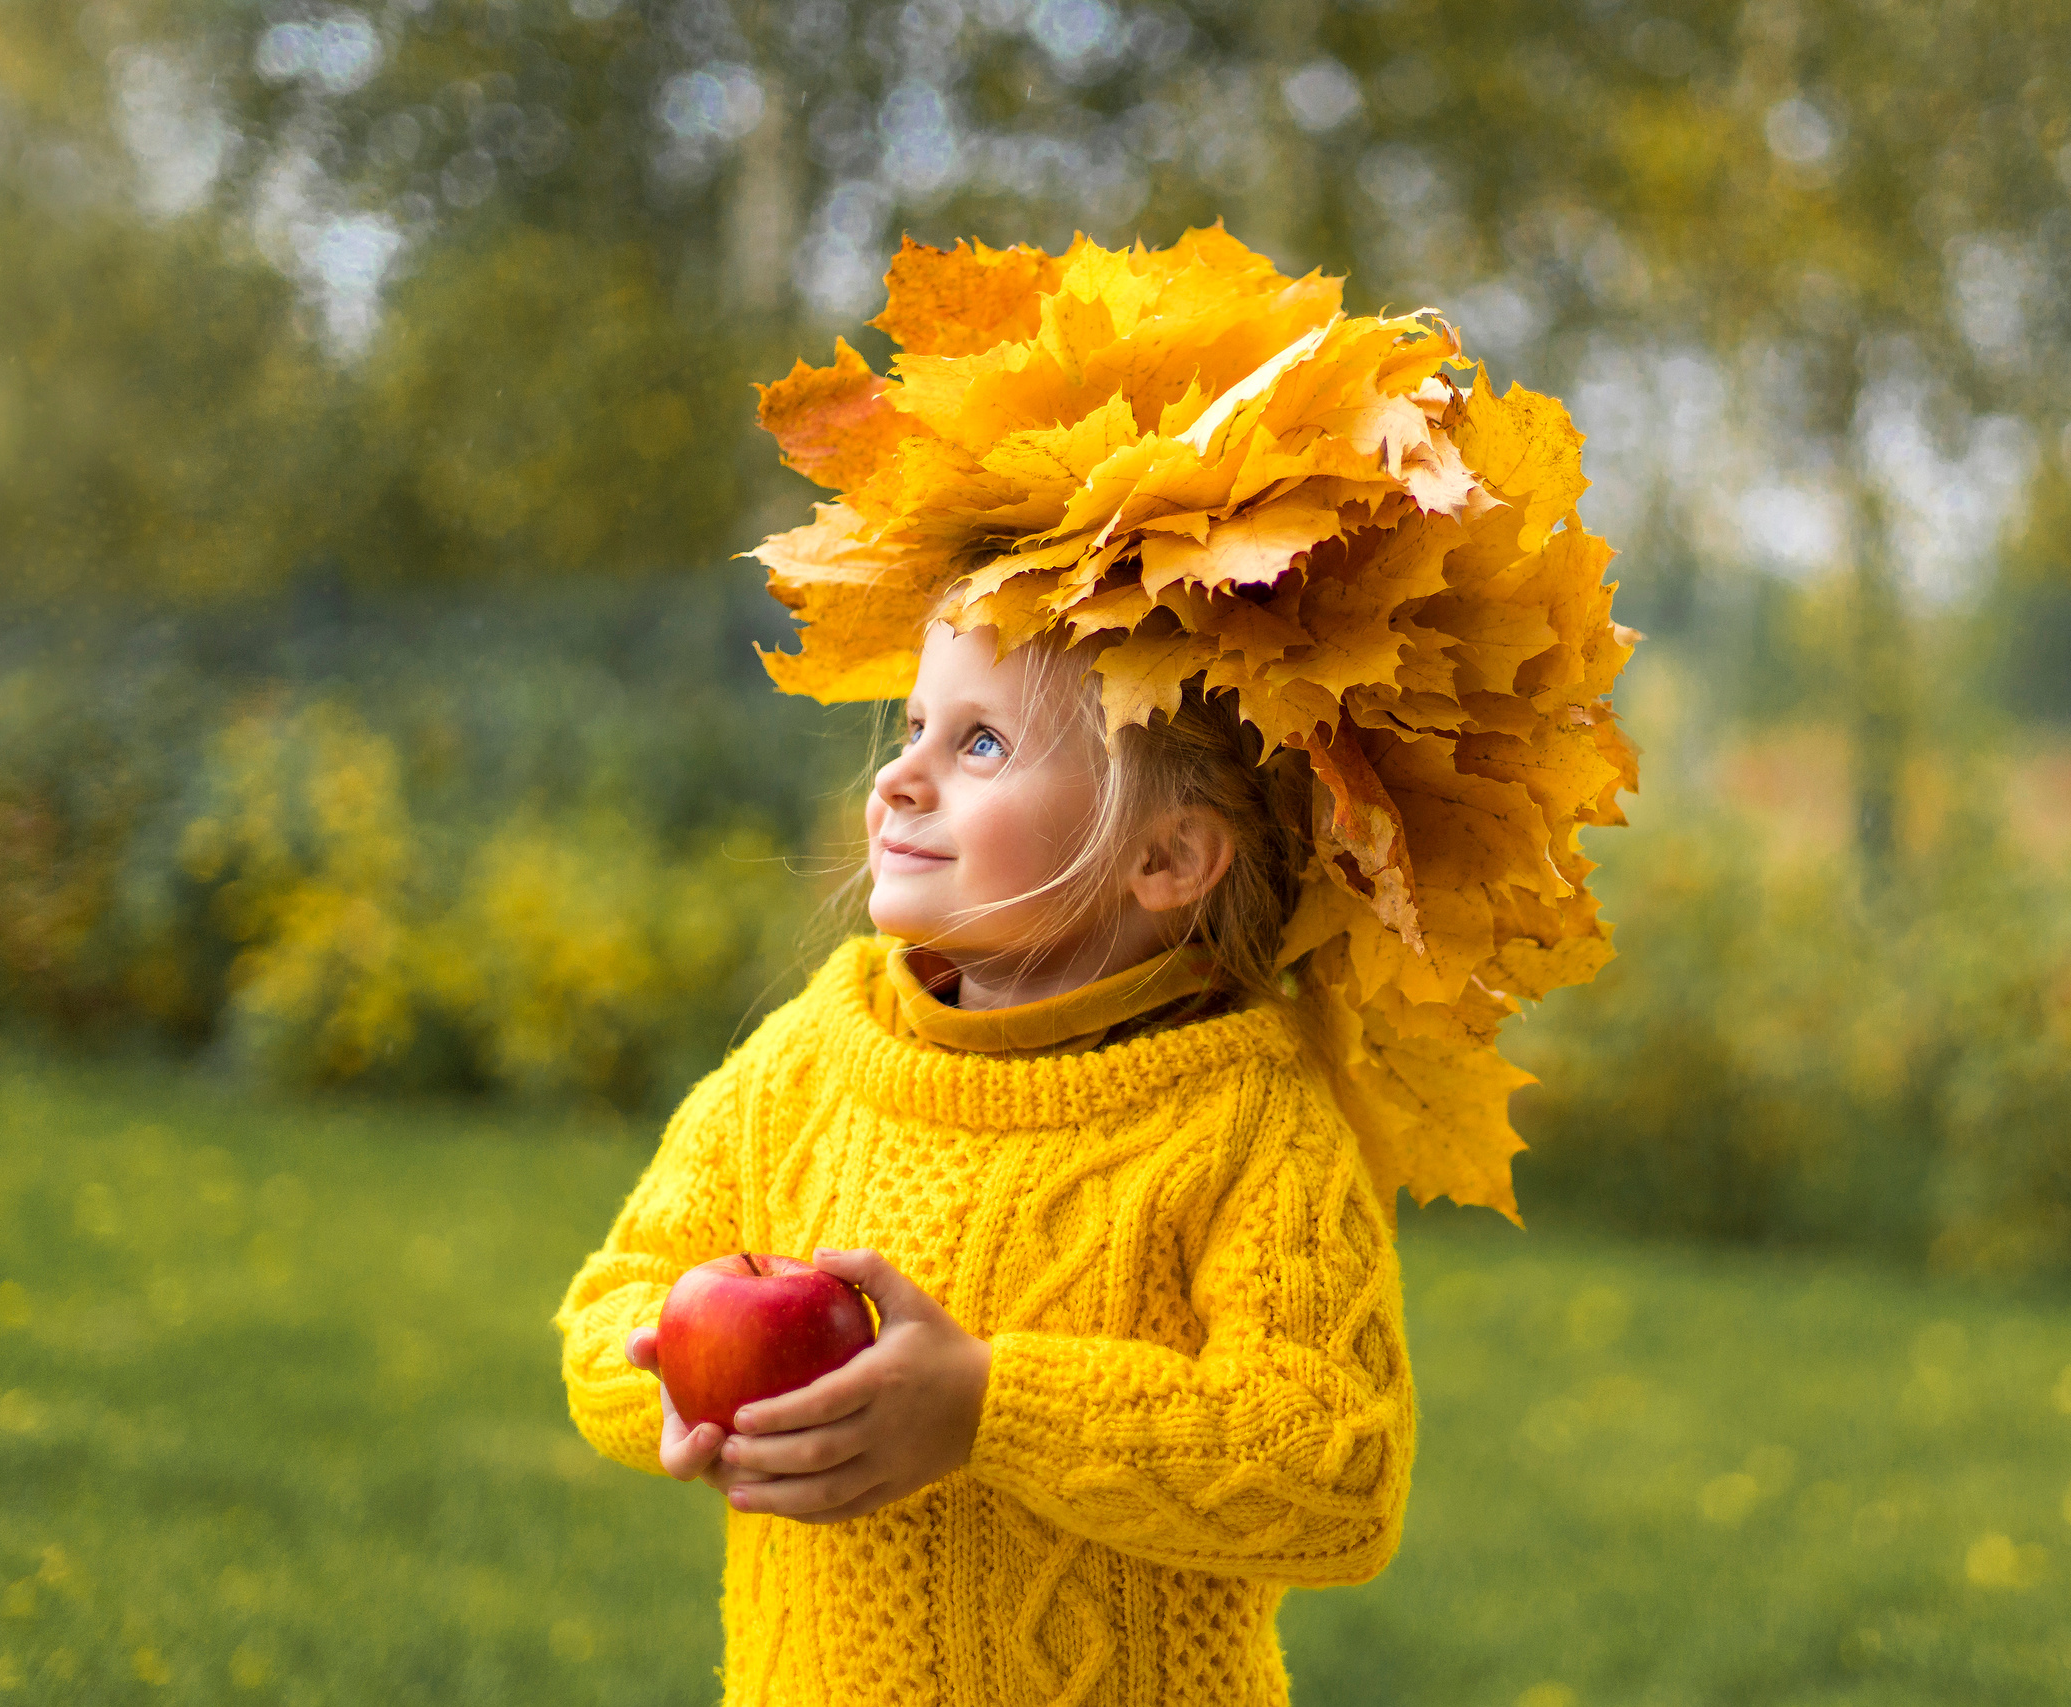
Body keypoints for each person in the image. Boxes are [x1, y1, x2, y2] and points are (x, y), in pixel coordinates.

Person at [555, 227, 1632, 1704]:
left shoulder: (1242, 1120)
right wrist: (689, 1390)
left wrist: (994, 1408)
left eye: (980, 744)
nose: (902, 779)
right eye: (915, 729)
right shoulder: (815, 1060)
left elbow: (1336, 1471)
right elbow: (612, 1301)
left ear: (1169, 862)